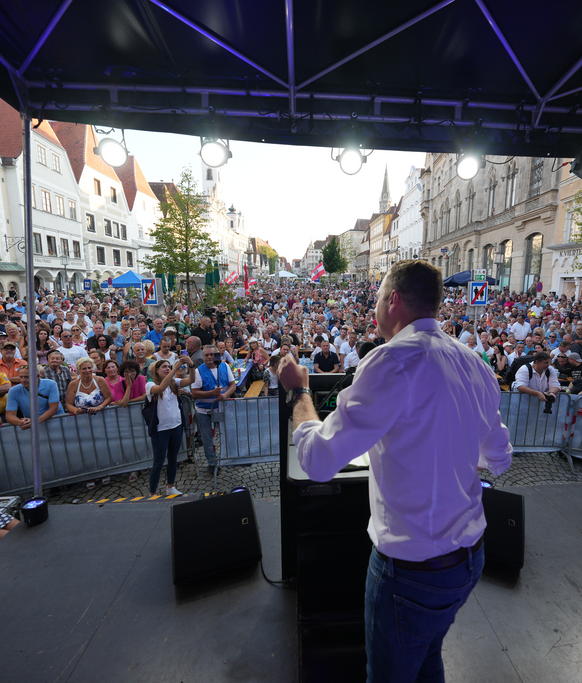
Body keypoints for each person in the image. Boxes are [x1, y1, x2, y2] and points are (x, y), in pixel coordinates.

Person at [277, 260, 510, 682]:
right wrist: (445, 451)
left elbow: (317, 460)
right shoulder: (473, 363)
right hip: (470, 558)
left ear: (394, 300)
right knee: (426, 658)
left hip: (411, 572)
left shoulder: (391, 361)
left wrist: (299, 391)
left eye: (379, 296)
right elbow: (499, 458)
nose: (375, 307)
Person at [145, 358, 194, 496]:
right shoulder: (150, 384)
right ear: (156, 370)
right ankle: (152, 493)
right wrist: (175, 368)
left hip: (176, 426)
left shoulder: (174, 382)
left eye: (169, 366)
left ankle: (170, 486)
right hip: (160, 429)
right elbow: (161, 388)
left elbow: (191, 380)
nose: (167, 368)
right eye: (164, 367)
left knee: (173, 459)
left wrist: (192, 365)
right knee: (158, 462)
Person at [191, 345, 237, 474]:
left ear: (217, 355)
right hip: (204, 411)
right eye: (207, 355)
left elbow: (232, 385)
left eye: (212, 354)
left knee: (230, 433)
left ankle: (233, 457)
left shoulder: (224, 366)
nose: (210, 357)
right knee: (208, 439)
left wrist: (225, 395)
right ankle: (212, 462)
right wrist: (211, 393)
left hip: (223, 408)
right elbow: (194, 393)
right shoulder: (198, 371)